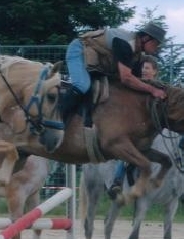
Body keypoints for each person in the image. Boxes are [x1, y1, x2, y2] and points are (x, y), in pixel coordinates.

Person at [63, 22, 167, 122]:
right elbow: (126, 78)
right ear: (146, 38)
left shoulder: (136, 54)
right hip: (79, 50)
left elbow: (137, 80)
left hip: (95, 62)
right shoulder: (125, 44)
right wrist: (152, 90)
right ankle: (58, 117)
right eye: (156, 43)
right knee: (82, 85)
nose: (157, 48)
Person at [108, 55, 160, 199]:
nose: (144, 71)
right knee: (127, 150)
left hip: (154, 128)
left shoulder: (158, 88)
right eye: (143, 68)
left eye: (147, 68)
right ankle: (117, 181)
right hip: (136, 127)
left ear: (155, 71)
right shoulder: (137, 85)